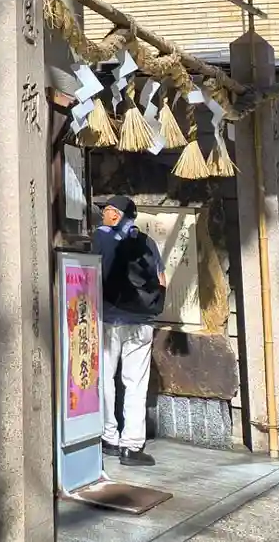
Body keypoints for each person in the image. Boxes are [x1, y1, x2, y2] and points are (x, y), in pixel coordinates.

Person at [95, 195, 167, 467]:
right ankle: (132, 446)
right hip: (141, 322)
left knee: (105, 377)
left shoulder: (99, 238)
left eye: (106, 210)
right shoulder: (147, 242)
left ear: (116, 214)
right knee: (135, 383)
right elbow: (161, 280)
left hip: (108, 320)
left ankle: (109, 437)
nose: (103, 214)